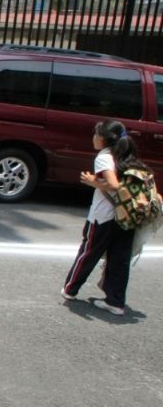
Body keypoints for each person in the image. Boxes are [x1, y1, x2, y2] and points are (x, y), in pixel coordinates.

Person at [62, 120, 140, 316]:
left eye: (96, 134)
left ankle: (70, 289)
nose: (93, 138)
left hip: (103, 216)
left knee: (88, 252)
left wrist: (93, 182)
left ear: (104, 138)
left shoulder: (104, 157)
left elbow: (113, 185)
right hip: (127, 216)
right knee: (119, 260)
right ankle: (115, 302)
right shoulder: (126, 154)